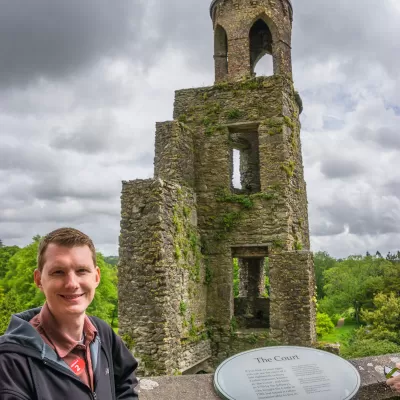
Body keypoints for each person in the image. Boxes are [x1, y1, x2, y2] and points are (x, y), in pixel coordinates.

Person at [0, 227, 139, 399]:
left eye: (82, 271)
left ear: (96, 277)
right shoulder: (10, 362)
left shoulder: (103, 334)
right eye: (58, 272)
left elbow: (125, 382)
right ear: (39, 280)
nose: (72, 283)